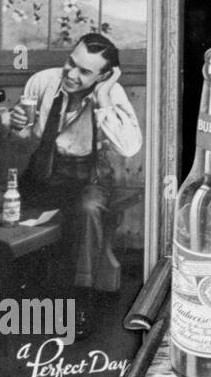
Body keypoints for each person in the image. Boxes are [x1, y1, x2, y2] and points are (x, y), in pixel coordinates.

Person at [8, 34, 143, 297]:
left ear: (103, 76)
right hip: (43, 170)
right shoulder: (41, 82)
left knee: (88, 209)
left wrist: (103, 97)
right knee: (2, 208)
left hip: (88, 177)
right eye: (71, 62)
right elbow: (23, 140)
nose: (71, 74)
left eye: (84, 72)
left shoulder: (111, 93)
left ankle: (81, 296)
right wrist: (17, 126)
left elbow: (129, 147)